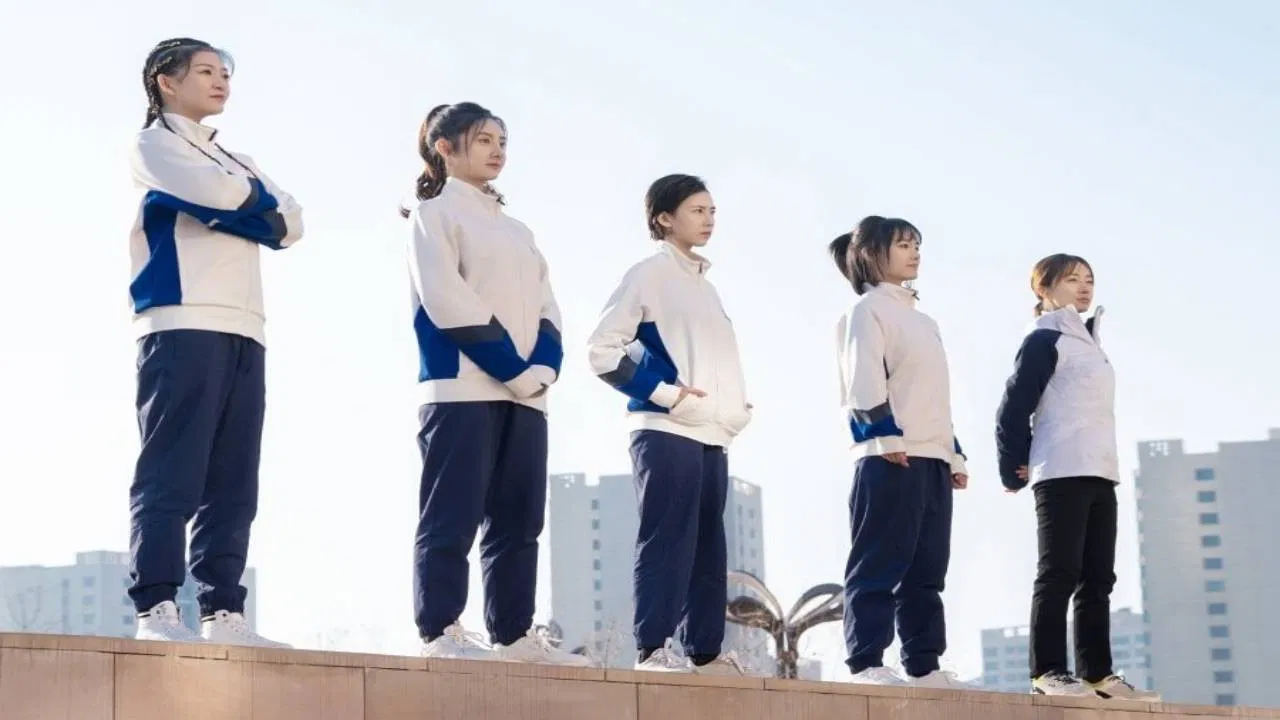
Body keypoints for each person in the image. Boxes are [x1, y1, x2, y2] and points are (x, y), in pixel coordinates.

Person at [128, 37, 302, 647]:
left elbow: (292, 221)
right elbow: (235, 199)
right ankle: (155, 607)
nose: (219, 81)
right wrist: (243, 205)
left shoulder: (236, 156)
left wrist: (232, 204)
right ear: (165, 81)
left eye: (224, 73)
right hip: (181, 320)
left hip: (245, 326)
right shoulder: (154, 145)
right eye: (205, 71)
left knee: (234, 478)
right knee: (172, 470)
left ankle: (223, 612)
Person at [404, 102, 587, 666]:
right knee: (452, 515)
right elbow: (446, 300)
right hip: (462, 388)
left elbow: (548, 306)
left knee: (519, 518)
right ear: (445, 148)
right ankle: (441, 631)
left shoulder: (518, 229)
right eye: (483, 139)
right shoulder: (433, 215)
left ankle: (513, 636)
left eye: (502, 140)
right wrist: (513, 367)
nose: (497, 149)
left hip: (528, 395)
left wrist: (544, 368)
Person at [586, 173, 752, 675]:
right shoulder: (648, 275)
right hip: (664, 428)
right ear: (664, 217)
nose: (709, 219)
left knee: (708, 546)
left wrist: (735, 408)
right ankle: (653, 647)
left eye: (712, 211)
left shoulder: (709, 289)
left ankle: (704, 652)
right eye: (698, 210)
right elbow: (601, 352)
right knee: (667, 539)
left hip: (712, 434)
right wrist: (666, 394)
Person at [995, 254, 1159, 701]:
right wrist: (1013, 463)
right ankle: (1047, 671)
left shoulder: (1088, 339)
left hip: (1101, 470)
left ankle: (1096, 675)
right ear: (1043, 288)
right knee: (1058, 573)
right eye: (1072, 280)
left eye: (1089, 280)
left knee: (1098, 578)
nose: (1084, 288)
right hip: (1062, 468)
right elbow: (1014, 406)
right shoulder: (1045, 338)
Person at [829, 216, 969, 687]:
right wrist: (884, 437)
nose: (914, 254)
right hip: (889, 455)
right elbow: (862, 380)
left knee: (928, 569)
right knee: (878, 563)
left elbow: (934, 392)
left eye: (916, 245)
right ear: (872, 253)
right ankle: (866, 661)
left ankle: (923, 664)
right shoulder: (867, 311)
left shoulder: (924, 320)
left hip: (931, 455)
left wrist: (954, 453)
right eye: (903, 245)